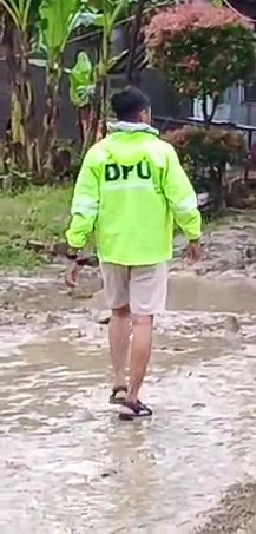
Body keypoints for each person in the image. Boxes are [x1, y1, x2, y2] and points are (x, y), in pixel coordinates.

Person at [64, 87, 202, 420]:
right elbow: (182, 200)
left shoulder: (99, 154)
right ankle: (134, 397)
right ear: (144, 114)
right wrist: (193, 234)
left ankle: (118, 383)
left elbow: (84, 206)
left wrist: (75, 248)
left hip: (112, 248)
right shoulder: (160, 153)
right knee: (143, 319)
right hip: (150, 249)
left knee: (119, 313)